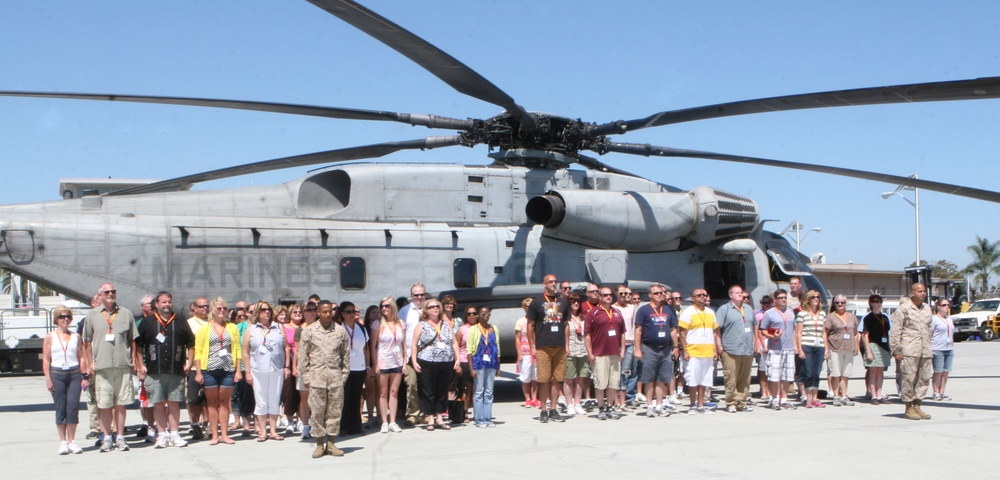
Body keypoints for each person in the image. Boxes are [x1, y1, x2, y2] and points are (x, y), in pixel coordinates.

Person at [82, 283, 138, 452]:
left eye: (113, 291)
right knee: (104, 405)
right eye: (107, 292)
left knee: (121, 404)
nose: (110, 294)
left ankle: (120, 437)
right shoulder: (92, 315)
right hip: (102, 366)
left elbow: (133, 340)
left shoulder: (126, 313)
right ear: (100, 295)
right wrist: (90, 363)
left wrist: (133, 359)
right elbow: (86, 342)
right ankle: (106, 438)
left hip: (122, 365)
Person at [135, 291, 195, 448]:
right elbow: (139, 346)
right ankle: (161, 434)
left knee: (174, 403)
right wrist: (140, 365)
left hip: (176, 369)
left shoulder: (181, 321)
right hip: (155, 370)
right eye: (163, 302)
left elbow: (190, 343)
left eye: (169, 302)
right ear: (157, 304)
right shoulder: (147, 322)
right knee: (159, 403)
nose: (167, 305)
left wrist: (189, 362)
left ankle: (174, 434)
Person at [299, 300, 350, 457]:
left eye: (330, 311)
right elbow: (303, 357)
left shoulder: (340, 332)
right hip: (316, 379)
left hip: (335, 379)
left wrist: (343, 377)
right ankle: (320, 444)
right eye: (325, 311)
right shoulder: (309, 332)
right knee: (317, 412)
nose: (328, 314)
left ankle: (332, 443)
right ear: (318, 313)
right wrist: (306, 378)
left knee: (334, 412)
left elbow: (345, 356)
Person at [194, 297, 242, 445]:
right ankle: (214, 434)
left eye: (225, 309)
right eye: (219, 309)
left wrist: (238, 370)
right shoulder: (205, 328)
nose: (222, 311)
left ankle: (225, 434)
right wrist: (198, 372)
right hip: (209, 368)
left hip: (228, 368)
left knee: (224, 401)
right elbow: (198, 350)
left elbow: (237, 349)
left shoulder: (232, 327)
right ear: (213, 310)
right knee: (212, 402)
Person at [410, 298, 461, 431]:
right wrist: (414, 361)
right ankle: (430, 418)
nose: (435, 309)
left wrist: (457, 358)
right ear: (426, 310)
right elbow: (414, 345)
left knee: (442, 390)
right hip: (427, 362)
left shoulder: (445, 324)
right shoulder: (422, 325)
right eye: (432, 307)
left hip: (445, 362)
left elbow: (454, 342)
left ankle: (440, 417)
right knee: (428, 391)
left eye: (437, 306)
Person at [43, 305, 88, 454]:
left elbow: (81, 357)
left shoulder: (76, 336)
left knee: (73, 407)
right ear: (56, 319)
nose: (65, 319)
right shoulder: (50, 337)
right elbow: (46, 359)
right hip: (57, 374)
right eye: (62, 317)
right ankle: (63, 441)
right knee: (60, 407)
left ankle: (72, 441)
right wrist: (48, 378)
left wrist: (84, 376)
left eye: (68, 316)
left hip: (74, 373)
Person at [243, 300, 290, 441]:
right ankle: (263, 431)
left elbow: (286, 347)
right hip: (258, 370)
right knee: (261, 400)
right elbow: (245, 352)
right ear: (258, 312)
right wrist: (247, 372)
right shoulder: (251, 330)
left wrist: (287, 366)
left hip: (276, 369)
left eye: (269, 309)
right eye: (263, 309)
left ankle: (273, 431)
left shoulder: (278, 327)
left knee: (274, 399)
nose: (267, 312)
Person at [526, 274, 570, 423]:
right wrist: (532, 346)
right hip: (543, 346)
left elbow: (565, 325)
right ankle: (543, 409)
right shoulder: (537, 302)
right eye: (550, 282)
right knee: (544, 379)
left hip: (559, 346)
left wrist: (567, 345)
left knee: (557, 379)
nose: (553, 284)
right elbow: (530, 325)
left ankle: (554, 409)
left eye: (555, 282)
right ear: (544, 284)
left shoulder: (563, 302)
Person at [633, 283, 679, 417]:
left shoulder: (668, 309)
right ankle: (649, 405)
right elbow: (638, 330)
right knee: (649, 378)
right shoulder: (643, 310)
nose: (660, 295)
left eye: (661, 293)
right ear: (650, 295)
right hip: (649, 348)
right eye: (656, 293)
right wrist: (637, 349)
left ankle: (659, 405)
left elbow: (672, 329)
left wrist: (676, 347)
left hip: (665, 349)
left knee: (662, 378)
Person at [890, 283, 934, 420]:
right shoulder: (904, 309)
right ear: (913, 293)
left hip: (925, 349)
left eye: (924, 291)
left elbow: (929, 328)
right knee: (908, 378)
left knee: (924, 378)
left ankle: (917, 405)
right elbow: (896, 330)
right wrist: (896, 349)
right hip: (909, 349)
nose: (923, 294)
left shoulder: (927, 308)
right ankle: (908, 407)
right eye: (920, 291)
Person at [585, 286, 626, 420]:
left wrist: (623, 350)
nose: (608, 297)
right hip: (600, 353)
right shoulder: (593, 313)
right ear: (600, 297)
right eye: (605, 295)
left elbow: (622, 333)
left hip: (615, 353)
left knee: (613, 383)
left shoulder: (617, 313)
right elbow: (587, 334)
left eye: (609, 295)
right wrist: (590, 353)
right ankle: (601, 408)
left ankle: (610, 407)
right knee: (600, 383)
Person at [678, 288, 721, 415]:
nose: (702, 297)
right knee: (693, 379)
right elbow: (682, 333)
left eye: (704, 295)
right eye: (699, 295)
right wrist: (685, 351)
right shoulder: (688, 312)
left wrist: (715, 350)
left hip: (707, 351)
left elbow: (714, 332)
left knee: (704, 380)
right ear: (693, 298)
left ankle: (701, 405)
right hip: (693, 351)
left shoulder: (710, 312)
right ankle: (692, 405)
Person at [715, 285, 757, 413]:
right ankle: (731, 403)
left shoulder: (748, 309)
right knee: (731, 378)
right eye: (737, 293)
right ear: (730, 295)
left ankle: (742, 402)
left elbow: (754, 326)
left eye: (741, 293)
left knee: (745, 378)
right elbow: (717, 329)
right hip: (730, 349)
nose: (740, 295)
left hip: (747, 348)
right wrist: (719, 346)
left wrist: (756, 343)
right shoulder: (724, 309)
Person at [759, 289, 799, 411]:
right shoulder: (769, 313)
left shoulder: (791, 312)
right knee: (774, 376)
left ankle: (784, 400)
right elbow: (763, 330)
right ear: (775, 300)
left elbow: (794, 330)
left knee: (787, 376)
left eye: (785, 297)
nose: (783, 299)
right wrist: (772, 336)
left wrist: (796, 346)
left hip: (789, 348)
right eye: (781, 297)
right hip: (775, 348)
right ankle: (774, 399)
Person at [337, 301, 372, 436]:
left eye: (354, 312)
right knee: (344, 399)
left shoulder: (361, 329)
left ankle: (356, 426)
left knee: (356, 398)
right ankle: (344, 426)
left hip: (359, 367)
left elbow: (366, 349)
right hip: (344, 369)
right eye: (348, 312)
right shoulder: (339, 329)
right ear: (343, 314)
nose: (352, 314)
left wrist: (368, 366)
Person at [374, 296, 406, 433]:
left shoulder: (401, 323)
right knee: (383, 392)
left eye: (387, 306)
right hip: (383, 360)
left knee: (394, 392)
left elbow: (404, 344)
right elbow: (373, 345)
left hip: (397, 360)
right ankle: (384, 421)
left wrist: (405, 362)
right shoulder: (377, 324)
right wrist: (375, 363)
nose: (384, 309)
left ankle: (393, 421)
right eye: (382, 306)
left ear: (393, 307)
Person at [399, 283, 427, 425]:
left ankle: (425, 413)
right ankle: (412, 413)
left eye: (422, 294)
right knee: (411, 384)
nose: (419, 297)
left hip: (427, 355)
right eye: (416, 295)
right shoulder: (404, 311)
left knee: (426, 386)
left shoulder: (431, 309)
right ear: (412, 296)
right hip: (410, 354)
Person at [468, 306, 501, 427]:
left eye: (488, 314)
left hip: (491, 363)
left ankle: (488, 418)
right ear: (478, 315)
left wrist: (498, 365)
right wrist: (471, 368)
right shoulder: (474, 329)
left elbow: (497, 347)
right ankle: (479, 419)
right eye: (483, 314)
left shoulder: (494, 328)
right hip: (478, 362)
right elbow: (469, 351)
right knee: (479, 390)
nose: (486, 316)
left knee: (489, 391)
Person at [824, 294, 860, 406]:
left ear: (846, 304)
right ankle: (836, 396)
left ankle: (844, 396)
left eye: (842, 302)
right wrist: (826, 348)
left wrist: (856, 347)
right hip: (834, 348)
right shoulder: (830, 317)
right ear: (834, 304)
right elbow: (825, 333)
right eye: (837, 302)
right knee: (836, 373)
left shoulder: (852, 316)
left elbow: (855, 333)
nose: (840, 304)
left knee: (845, 374)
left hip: (848, 348)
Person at [795, 290, 826, 408]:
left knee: (816, 372)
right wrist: (799, 349)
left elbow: (824, 333)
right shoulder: (802, 314)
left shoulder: (822, 314)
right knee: (808, 372)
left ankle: (815, 397)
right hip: (806, 345)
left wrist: (826, 348)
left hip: (819, 346)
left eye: (818, 297)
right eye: (813, 297)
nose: (816, 299)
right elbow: (798, 333)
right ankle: (808, 398)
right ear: (808, 299)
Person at [185, 297, 211, 440]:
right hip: (195, 366)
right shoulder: (188, 324)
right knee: (194, 399)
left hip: (211, 365)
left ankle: (207, 424)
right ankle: (195, 424)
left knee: (209, 399)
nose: (205, 309)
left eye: (207, 306)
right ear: (194, 308)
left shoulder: (213, 323)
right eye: (201, 306)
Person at [293, 302, 318, 438]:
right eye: (309, 310)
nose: (312, 312)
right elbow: (297, 350)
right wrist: (295, 367)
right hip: (305, 367)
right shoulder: (300, 329)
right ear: (304, 312)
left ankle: (317, 424)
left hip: (318, 367)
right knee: (304, 398)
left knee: (318, 398)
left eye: (314, 310)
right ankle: (305, 426)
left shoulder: (320, 327)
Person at [861, 294, 891, 405]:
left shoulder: (885, 318)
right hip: (873, 345)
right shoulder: (868, 318)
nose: (877, 304)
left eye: (879, 301)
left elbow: (888, 334)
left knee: (881, 372)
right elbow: (865, 335)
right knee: (873, 372)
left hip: (884, 346)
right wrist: (868, 351)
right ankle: (873, 395)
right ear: (871, 304)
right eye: (875, 301)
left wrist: (890, 348)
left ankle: (879, 394)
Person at [229, 307, 255, 437]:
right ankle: (246, 426)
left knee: (259, 397)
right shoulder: (238, 327)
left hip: (260, 367)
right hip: (244, 367)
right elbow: (234, 345)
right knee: (245, 396)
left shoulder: (263, 327)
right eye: (251, 311)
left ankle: (258, 424)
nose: (254, 314)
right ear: (246, 313)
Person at [563, 293, 589, 416]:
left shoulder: (583, 318)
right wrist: (566, 347)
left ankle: (577, 403)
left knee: (580, 378)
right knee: (569, 379)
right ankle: (569, 404)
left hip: (582, 350)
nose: (576, 303)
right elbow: (564, 335)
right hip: (570, 350)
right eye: (573, 301)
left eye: (578, 301)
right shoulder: (566, 319)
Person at [613, 284, 639, 409]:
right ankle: (615, 401)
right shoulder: (612, 308)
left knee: (625, 372)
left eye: (626, 293)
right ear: (616, 294)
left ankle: (623, 401)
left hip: (629, 343)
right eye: (621, 293)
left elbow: (635, 326)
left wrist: (636, 346)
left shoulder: (631, 308)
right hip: (615, 343)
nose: (624, 296)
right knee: (614, 372)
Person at [281, 304, 303, 434]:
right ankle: (289, 421)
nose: (298, 313)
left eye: (300, 311)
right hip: (289, 362)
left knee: (302, 394)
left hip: (303, 363)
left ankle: (301, 420)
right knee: (289, 394)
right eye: (295, 311)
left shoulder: (305, 327)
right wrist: (287, 366)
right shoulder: (284, 327)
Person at [514, 298, 539, 408]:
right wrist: (519, 353)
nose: (529, 308)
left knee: (535, 377)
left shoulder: (537, 320)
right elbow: (517, 339)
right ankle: (527, 399)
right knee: (526, 377)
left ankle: (535, 398)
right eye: (527, 306)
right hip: (525, 352)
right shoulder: (520, 321)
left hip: (536, 351)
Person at [454, 306, 478, 421]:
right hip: (464, 361)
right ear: (465, 316)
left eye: (474, 313)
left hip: (479, 362)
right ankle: (464, 412)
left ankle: (478, 413)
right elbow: (456, 348)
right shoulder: (462, 329)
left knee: (477, 389)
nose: (472, 316)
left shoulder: (480, 328)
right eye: (469, 314)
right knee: (466, 389)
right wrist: (457, 364)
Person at [360, 304, 381, 430]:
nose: (376, 314)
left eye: (378, 312)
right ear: (368, 315)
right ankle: (370, 415)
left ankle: (379, 415)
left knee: (380, 390)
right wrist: (369, 365)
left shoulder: (382, 326)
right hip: (368, 362)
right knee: (370, 390)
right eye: (373, 312)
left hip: (381, 359)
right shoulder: (364, 329)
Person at [931, 298, 955, 401]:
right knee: (938, 371)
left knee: (946, 371)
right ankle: (936, 392)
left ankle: (942, 391)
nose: (947, 307)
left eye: (948, 305)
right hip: (937, 348)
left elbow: (952, 334)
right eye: (944, 305)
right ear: (938, 307)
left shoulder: (949, 319)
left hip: (948, 348)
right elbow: (930, 334)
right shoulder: (934, 319)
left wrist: (952, 346)